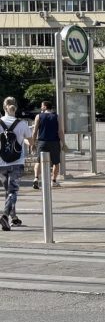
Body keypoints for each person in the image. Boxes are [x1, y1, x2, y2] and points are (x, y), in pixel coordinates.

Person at [1, 97, 30, 231]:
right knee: (12, 192)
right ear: (16, 108)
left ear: (4, 107)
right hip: (17, 162)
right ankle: (5, 215)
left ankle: (14, 218)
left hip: (2, 163)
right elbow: (30, 141)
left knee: (8, 192)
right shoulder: (22, 124)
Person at [30, 100, 64, 189]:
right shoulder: (56, 117)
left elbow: (35, 131)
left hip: (42, 142)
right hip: (54, 142)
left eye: (42, 106)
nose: (41, 107)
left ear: (45, 107)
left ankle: (36, 178)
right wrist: (63, 142)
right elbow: (60, 131)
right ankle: (53, 181)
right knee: (56, 162)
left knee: (38, 161)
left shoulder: (38, 116)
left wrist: (32, 143)